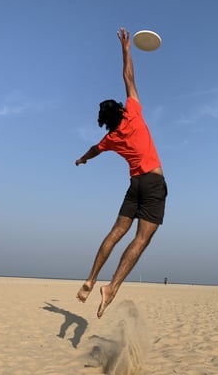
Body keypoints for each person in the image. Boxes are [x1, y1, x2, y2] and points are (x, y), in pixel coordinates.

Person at [75, 27, 167, 318]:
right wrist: (126, 50)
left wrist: (82, 160)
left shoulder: (110, 138)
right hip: (152, 183)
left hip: (134, 185)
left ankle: (90, 278)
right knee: (141, 239)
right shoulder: (133, 112)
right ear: (121, 108)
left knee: (116, 232)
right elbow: (128, 77)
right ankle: (111, 287)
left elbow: (93, 149)